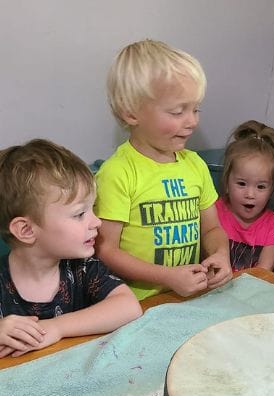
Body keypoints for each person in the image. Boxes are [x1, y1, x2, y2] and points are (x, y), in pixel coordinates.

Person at [95, 39, 232, 300]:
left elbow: (212, 229)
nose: (192, 121)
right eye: (178, 111)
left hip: (189, 297)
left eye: (195, 109)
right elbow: (106, 251)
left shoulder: (194, 164)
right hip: (135, 303)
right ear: (131, 113)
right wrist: (167, 276)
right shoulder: (118, 173)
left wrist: (220, 255)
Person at [0, 139, 141, 358]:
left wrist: (56, 328)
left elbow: (129, 307)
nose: (96, 222)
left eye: (92, 209)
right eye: (79, 214)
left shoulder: (83, 268)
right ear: (26, 230)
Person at [216, 119, 274, 271]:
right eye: (241, 184)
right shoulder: (214, 212)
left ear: (272, 189)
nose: (250, 194)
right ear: (226, 183)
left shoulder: (272, 224)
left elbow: (264, 272)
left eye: (260, 187)